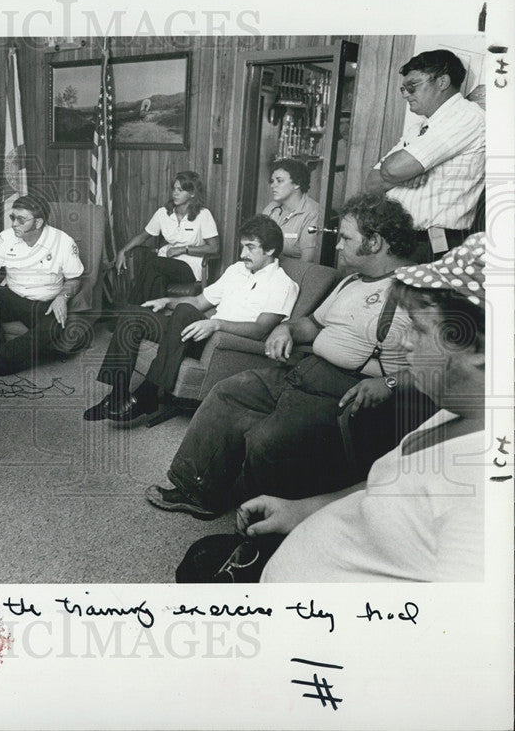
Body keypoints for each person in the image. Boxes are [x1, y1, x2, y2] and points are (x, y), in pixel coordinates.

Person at [146, 193, 417, 518]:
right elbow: (312, 325)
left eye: (346, 238)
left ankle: (263, 527)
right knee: (227, 392)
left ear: (374, 242)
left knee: (268, 438)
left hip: (347, 391)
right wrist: (286, 330)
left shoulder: (417, 290)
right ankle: (195, 490)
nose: (339, 246)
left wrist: (389, 383)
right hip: (307, 370)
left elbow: (445, 365)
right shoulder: (352, 282)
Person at [237, 234, 487, 582]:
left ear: (480, 346)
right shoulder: (457, 414)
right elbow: (381, 489)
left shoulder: (484, 480)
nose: (405, 341)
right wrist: (299, 510)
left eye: (417, 328)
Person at [84, 216, 298, 424]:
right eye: (242, 247)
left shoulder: (282, 284)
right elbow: (198, 301)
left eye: (250, 247)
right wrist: (166, 300)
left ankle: (148, 393)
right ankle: (118, 394)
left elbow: (261, 329)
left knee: (185, 312)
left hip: (222, 342)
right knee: (134, 314)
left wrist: (216, 324)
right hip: (199, 330)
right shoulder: (236, 271)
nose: (242, 254)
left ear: (270, 250)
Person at [364, 49, 484, 262]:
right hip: (402, 240)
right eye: (403, 88)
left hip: (434, 246)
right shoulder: (420, 128)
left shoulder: (467, 117)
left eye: (412, 86)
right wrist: (405, 173)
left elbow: (392, 169)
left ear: (442, 82)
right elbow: (372, 183)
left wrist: (398, 174)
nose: (405, 94)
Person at [0, 194, 83, 381]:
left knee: (54, 327)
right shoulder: (5, 238)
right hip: (13, 296)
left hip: (44, 304)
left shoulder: (63, 242)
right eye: (13, 217)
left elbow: (75, 280)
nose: (14, 224)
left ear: (38, 222)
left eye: (21, 219)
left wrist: (62, 297)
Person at [114, 171, 219, 303]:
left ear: (192, 193)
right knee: (157, 280)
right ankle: (151, 319)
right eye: (174, 189)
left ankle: (131, 310)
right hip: (164, 263)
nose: (175, 193)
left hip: (190, 267)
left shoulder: (203, 214)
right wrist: (123, 251)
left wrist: (183, 249)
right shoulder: (163, 213)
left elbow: (214, 248)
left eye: (180, 190)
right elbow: (144, 235)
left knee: (152, 263)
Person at [258, 158, 321, 264]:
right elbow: (257, 244)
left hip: (295, 275)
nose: (273, 185)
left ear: (297, 183)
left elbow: (307, 261)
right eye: (272, 181)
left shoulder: (313, 213)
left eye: (279, 180)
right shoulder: (271, 208)